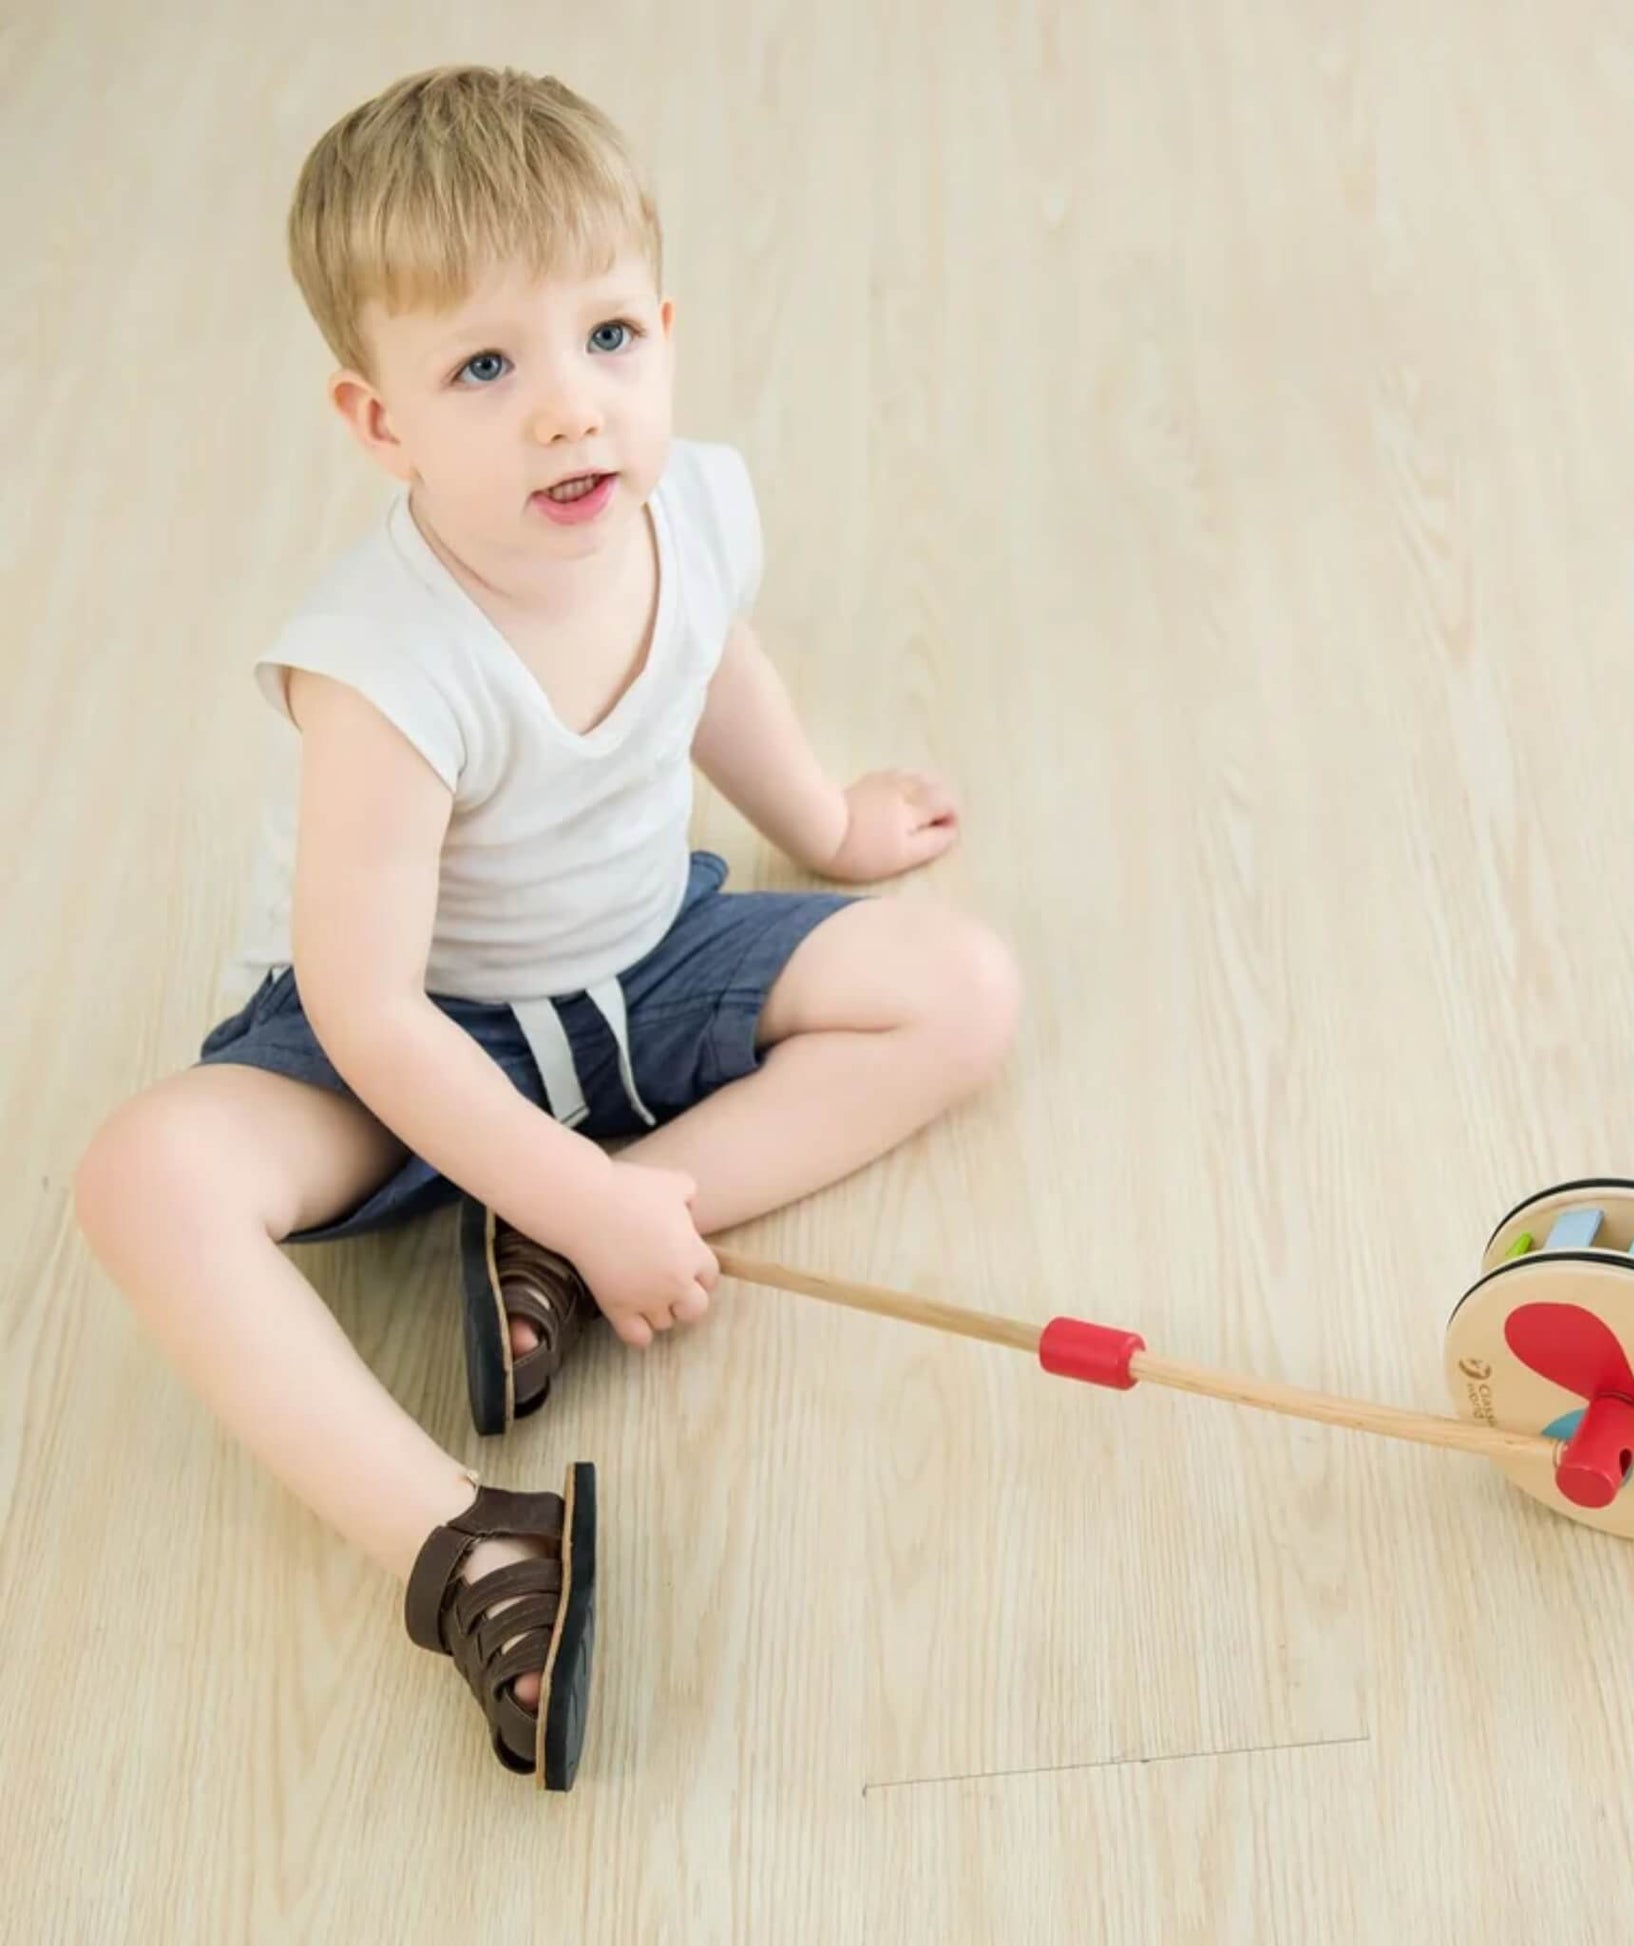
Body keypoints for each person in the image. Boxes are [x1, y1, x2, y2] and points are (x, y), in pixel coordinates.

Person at [72, 64, 1020, 1791]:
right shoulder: (383, 663)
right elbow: (366, 1014)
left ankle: (578, 1246)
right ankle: (466, 1545)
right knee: (144, 1175)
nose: (569, 413)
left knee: (960, 986)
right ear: (381, 422)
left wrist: (818, 821)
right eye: (486, 370)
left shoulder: (693, 499)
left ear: (662, 328)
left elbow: (713, 663)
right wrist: (558, 1165)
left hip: (645, 957)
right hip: (411, 1034)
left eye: (604, 341)